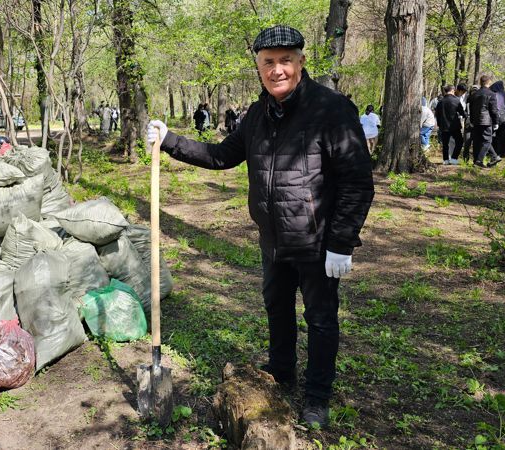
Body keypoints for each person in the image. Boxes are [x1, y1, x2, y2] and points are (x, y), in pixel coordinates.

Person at [147, 25, 374, 429]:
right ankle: (282, 371)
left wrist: (341, 241)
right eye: (268, 62)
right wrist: (170, 140)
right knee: (277, 307)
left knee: (320, 319)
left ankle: (317, 396)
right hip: (273, 240)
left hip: (318, 241)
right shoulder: (257, 114)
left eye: (285, 60)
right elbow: (219, 156)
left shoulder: (331, 109)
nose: (277, 70)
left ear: (301, 62)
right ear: (258, 67)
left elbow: (358, 181)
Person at [468, 75, 501, 168]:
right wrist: (496, 122)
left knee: (478, 141)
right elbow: (493, 110)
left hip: (476, 121)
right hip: (486, 121)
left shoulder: (474, 94)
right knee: (487, 141)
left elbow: (471, 109)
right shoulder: (491, 94)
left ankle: (494, 157)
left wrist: (471, 120)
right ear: (489, 82)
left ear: (480, 82)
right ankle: (479, 161)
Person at [434, 85, 467, 165]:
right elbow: (462, 112)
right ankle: (454, 158)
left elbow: (437, 114)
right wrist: (467, 116)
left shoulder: (440, 102)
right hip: (454, 125)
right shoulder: (456, 100)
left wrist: (439, 124)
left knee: (445, 144)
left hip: (444, 126)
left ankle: (445, 160)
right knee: (459, 141)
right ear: (452, 90)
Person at [490, 81, 505, 157]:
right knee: (501, 135)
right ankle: (502, 152)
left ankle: (495, 152)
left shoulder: (494, 95)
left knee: (493, 135)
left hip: (496, 116)